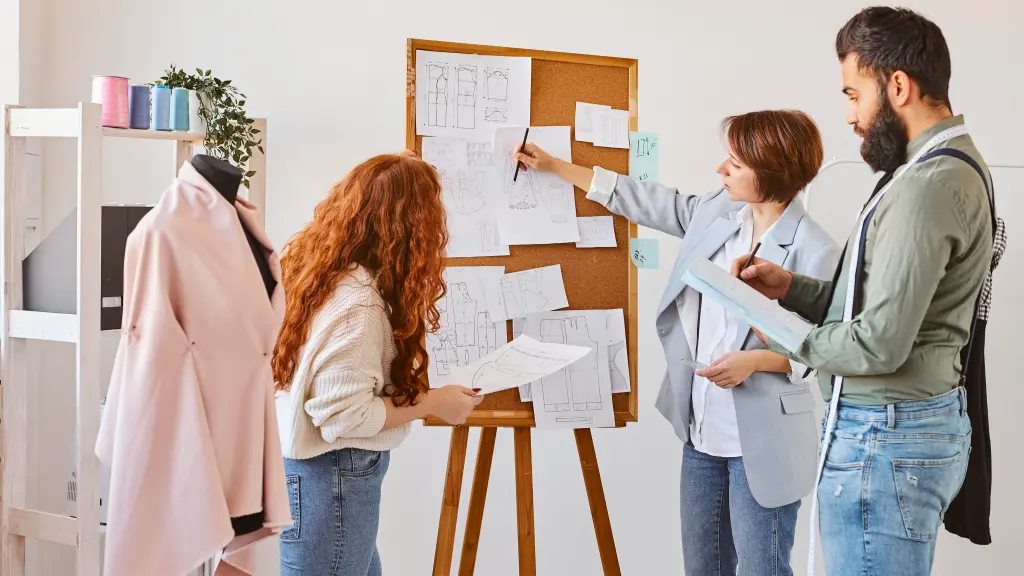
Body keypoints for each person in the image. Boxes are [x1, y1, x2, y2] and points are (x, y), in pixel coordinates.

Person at [516, 110, 839, 576]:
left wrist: (753, 361)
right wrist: (556, 167)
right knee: (702, 569)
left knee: (761, 570)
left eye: (735, 164)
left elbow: (821, 352)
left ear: (768, 173)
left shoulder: (817, 248)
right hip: (702, 430)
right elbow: (647, 200)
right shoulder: (718, 212)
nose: (720, 170)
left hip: (763, 443)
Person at [734, 7, 994, 576]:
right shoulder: (940, 168)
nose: (850, 116)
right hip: (898, 430)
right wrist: (792, 289)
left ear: (897, 85)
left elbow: (879, 344)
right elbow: (885, 300)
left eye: (854, 94)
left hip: (885, 437)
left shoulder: (928, 185)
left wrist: (783, 332)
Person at [271, 152, 483, 576]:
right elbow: (341, 418)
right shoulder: (360, 306)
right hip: (331, 481)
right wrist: (433, 403)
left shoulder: (323, 274)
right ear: (410, 226)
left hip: (326, 482)